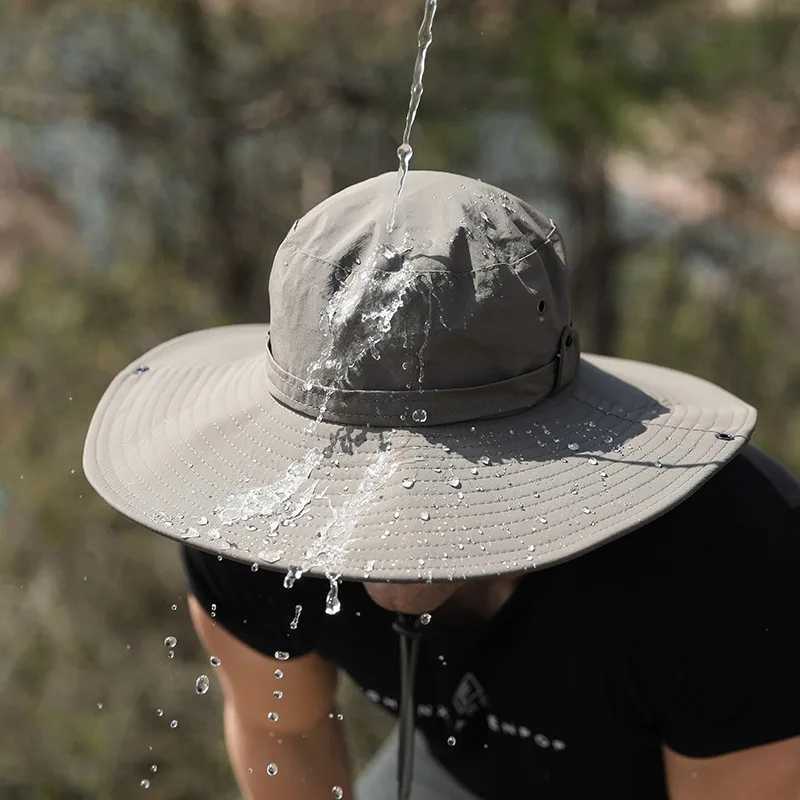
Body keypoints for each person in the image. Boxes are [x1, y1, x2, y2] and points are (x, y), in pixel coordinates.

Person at [83, 171, 800, 800]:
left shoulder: (733, 567)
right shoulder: (248, 515)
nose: (393, 561)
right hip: (460, 775)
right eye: (353, 475)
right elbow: (285, 734)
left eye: (442, 483)